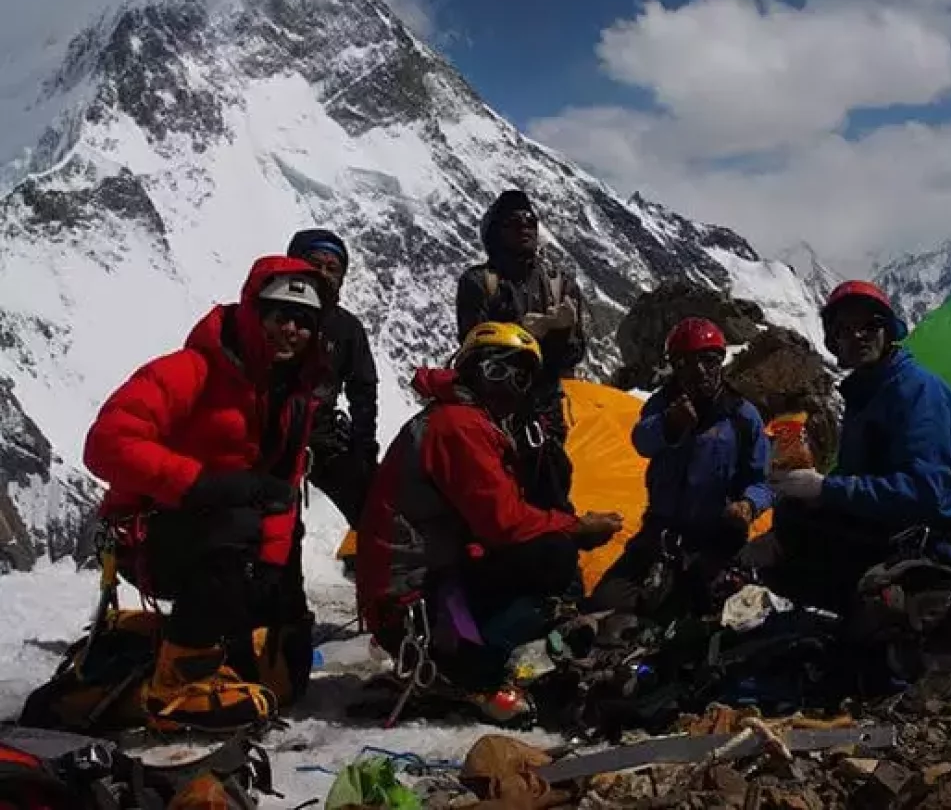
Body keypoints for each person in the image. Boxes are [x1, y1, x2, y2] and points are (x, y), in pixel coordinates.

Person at [82, 256, 332, 732]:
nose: (292, 330)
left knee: (282, 678)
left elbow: (281, 492)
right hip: (150, 535)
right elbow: (105, 445)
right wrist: (200, 484)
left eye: (304, 321)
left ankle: (179, 649)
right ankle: (176, 682)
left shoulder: (290, 399)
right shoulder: (191, 369)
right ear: (252, 312)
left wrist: (271, 571)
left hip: (227, 543)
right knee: (234, 521)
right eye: (281, 315)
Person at [357, 322, 622, 700]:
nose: (508, 385)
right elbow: (504, 522)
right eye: (497, 370)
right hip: (412, 600)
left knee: (534, 552)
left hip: (412, 589)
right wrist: (576, 527)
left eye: (520, 377)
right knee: (551, 553)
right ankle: (472, 662)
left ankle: (480, 647)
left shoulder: (460, 420)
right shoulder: (459, 426)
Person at [753, 280, 951, 613]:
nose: (858, 336)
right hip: (891, 527)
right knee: (793, 518)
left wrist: (825, 490)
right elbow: (862, 475)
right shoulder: (870, 391)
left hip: (933, 539)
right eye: (845, 330)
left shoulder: (916, 392)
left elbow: (923, 493)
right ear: (834, 342)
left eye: (870, 325)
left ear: (888, 331)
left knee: (796, 550)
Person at [589, 318, 772, 622]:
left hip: (717, 538)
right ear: (675, 367)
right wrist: (669, 425)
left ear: (721, 362)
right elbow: (642, 440)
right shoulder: (663, 405)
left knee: (698, 615)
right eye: (687, 363)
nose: (700, 371)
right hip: (660, 532)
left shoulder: (741, 416)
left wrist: (749, 504)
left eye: (708, 361)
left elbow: (762, 481)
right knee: (604, 606)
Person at [455, 190, 586, 515]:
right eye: (514, 222)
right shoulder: (478, 282)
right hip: (491, 409)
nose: (525, 227)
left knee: (550, 490)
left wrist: (561, 337)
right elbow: (473, 348)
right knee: (488, 499)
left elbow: (576, 354)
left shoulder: (559, 283)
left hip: (544, 406)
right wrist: (522, 334)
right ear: (495, 232)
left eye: (530, 221)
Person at [286, 228, 379, 528]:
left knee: (375, 509)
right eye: (315, 265)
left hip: (321, 433)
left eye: (332, 268)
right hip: (274, 429)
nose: (324, 274)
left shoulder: (346, 328)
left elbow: (363, 392)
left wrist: (364, 456)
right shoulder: (272, 314)